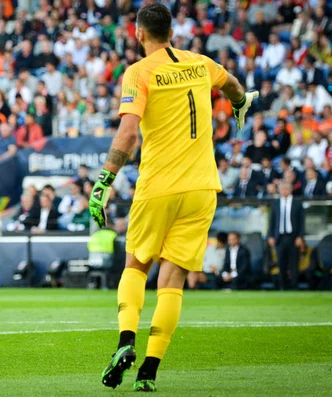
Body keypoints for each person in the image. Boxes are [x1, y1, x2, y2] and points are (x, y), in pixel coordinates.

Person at [88, 4, 258, 392]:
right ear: (171, 31)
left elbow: (128, 133)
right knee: (174, 281)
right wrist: (239, 104)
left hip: (159, 186)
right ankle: (148, 372)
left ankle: (126, 341)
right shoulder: (200, 63)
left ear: (138, 33)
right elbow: (233, 86)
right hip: (202, 189)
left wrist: (103, 182)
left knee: (136, 264)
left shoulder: (138, 72)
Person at [268, 182, 305, 290]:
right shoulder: (275, 203)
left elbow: (301, 222)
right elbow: (272, 221)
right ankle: (283, 287)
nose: (283, 191)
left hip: (293, 237)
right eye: (282, 189)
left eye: (285, 189)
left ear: (290, 190)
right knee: (281, 263)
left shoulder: (297, 203)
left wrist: (300, 236)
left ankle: (294, 286)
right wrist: (271, 235)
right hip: (279, 237)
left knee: (294, 263)